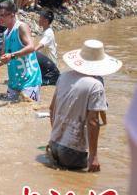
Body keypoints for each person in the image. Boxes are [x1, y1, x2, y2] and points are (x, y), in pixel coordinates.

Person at [48, 40, 122, 171]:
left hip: (54, 145)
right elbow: (93, 121)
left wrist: (55, 136)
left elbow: (51, 108)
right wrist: (94, 156)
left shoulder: (63, 76)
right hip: (73, 151)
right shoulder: (96, 85)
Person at [0, 1, 42, 102]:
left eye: (3, 15)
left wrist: (12, 56)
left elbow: (31, 47)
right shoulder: (5, 33)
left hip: (30, 81)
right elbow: (4, 58)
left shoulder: (21, 27)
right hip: (14, 82)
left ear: (12, 14)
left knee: (28, 110)